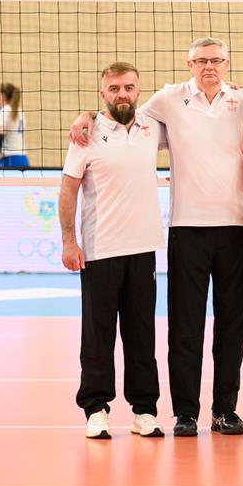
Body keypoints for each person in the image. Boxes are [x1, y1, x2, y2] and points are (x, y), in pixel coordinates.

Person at [69, 38, 243, 436]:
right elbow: (121, 115)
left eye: (216, 60)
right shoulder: (168, 98)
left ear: (227, 64)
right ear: (189, 64)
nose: (209, 66)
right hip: (186, 227)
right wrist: (87, 114)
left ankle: (225, 409)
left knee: (231, 326)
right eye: (201, 60)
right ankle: (185, 413)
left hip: (236, 226)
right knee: (185, 327)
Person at [59, 63, 165, 439]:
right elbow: (68, 189)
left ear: (138, 91)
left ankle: (144, 411)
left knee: (142, 335)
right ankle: (96, 409)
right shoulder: (86, 134)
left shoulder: (153, 127)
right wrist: (69, 241)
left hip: (143, 248)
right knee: (97, 335)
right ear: (103, 93)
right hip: (100, 250)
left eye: (129, 87)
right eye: (115, 88)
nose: (122, 94)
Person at [0, 82, 28, 168]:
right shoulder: (21, 112)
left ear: (3, 96)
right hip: (23, 157)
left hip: (10, 159)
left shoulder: (2, 113)